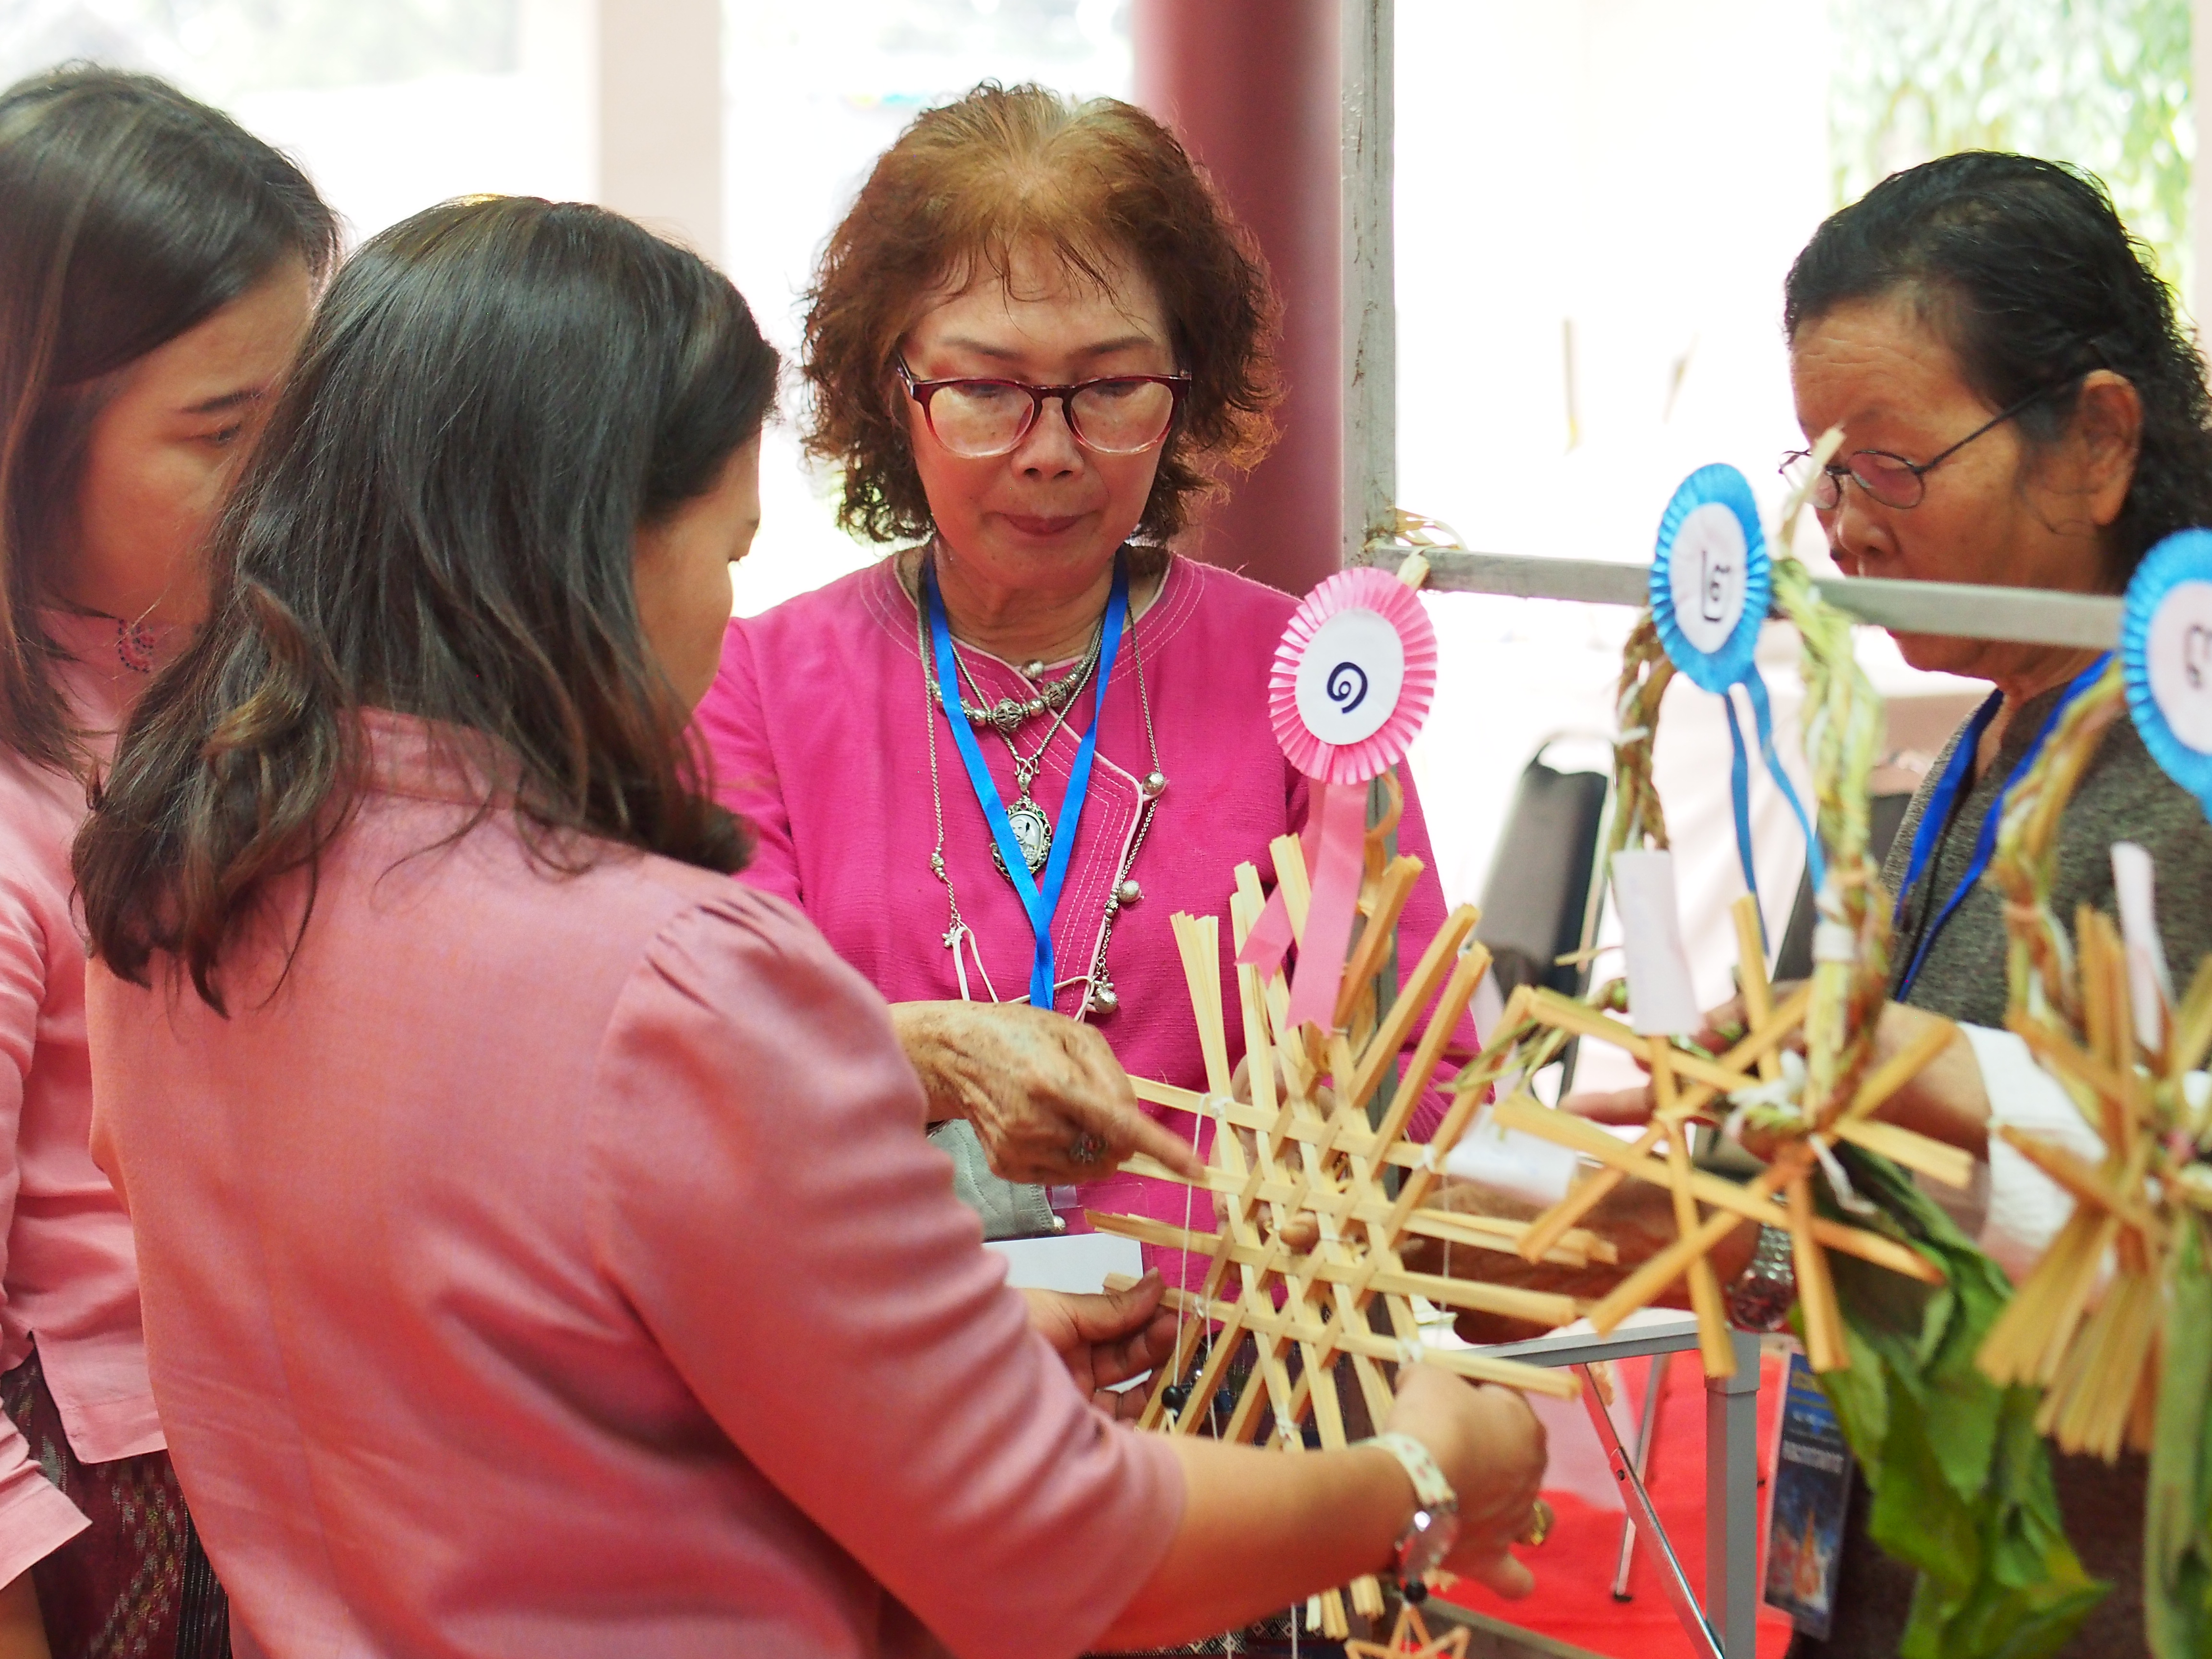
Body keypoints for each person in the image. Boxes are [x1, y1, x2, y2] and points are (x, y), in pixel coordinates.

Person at [72, 194, 1548, 1659]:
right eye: (721, 553)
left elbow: (523, 1357)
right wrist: (1413, 1478)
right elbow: (1064, 1553)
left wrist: (923, 1362)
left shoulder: (180, 886)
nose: (725, 615)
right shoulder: (670, 979)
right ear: (592, 557)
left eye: (1108, 389)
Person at [1572, 152, 2212, 1657]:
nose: (1842, 526)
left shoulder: (2175, 777)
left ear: (2097, 442)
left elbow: (2139, 1225)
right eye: (1821, 471)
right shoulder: (1991, 729)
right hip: (1917, 1559)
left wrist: (1814, 1159)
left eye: (1891, 467)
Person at [693, 83, 1472, 1243]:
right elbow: (718, 1068)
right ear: (889, 390)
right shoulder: (758, 683)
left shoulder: (1305, 674)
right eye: (988, 392)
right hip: (892, 1370)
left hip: (1240, 1374)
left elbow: (1426, 1082)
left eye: (1111, 389)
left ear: (1186, 388)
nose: (1052, 453)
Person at [0, 66, 334, 1659]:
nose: (283, 486)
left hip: (285, 1443)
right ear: (30, 431)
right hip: (115, 1491)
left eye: (301, 416)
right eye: (219, 432)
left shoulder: (228, 683)